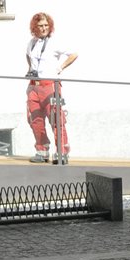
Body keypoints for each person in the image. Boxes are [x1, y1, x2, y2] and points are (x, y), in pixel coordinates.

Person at [25, 12, 77, 164]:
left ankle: (62, 153)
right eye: (40, 25)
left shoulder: (56, 42)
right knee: (35, 120)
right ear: (35, 27)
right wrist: (30, 68)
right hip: (34, 86)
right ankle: (42, 151)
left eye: (46, 25)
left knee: (56, 119)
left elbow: (73, 54)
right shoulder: (31, 43)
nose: (43, 28)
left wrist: (60, 68)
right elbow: (27, 55)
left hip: (50, 85)